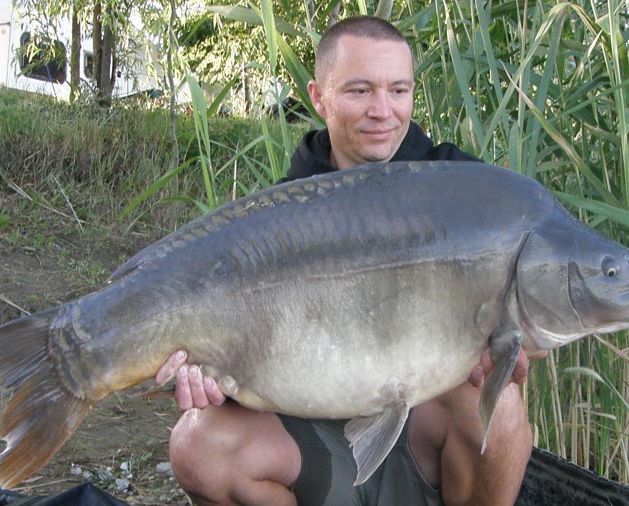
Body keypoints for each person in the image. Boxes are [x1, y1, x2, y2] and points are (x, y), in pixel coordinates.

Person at [155, 15, 535, 506]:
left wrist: (514, 349)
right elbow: (240, 354)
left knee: (499, 406)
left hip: (425, 430)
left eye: (398, 91)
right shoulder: (281, 217)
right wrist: (203, 379)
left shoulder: (461, 190)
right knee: (196, 444)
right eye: (359, 91)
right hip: (316, 437)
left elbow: (530, 316)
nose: (383, 111)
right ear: (319, 96)